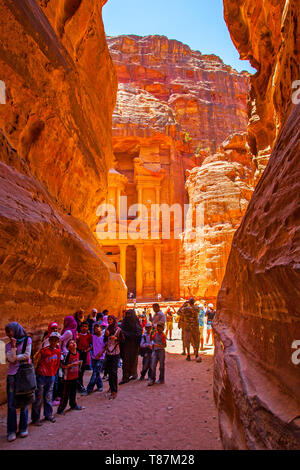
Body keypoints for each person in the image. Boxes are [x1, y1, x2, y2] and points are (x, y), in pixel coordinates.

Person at [5, 322, 32, 442]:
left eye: (9, 331)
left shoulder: (27, 340)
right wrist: (14, 346)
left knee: (24, 401)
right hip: (12, 377)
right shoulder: (7, 346)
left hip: (23, 375)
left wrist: (14, 356)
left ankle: (23, 428)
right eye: (7, 332)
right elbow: (10, 359)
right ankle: (11, 430)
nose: (8, 334)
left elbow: (27, 356)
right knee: (11, 404)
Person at [31, 332, 61, 426]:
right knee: (39, 397)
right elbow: (36, 360)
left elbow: (57, 363)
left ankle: (48, 414)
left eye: (56, 340)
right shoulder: (44, 351)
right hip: (41, 376)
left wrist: (54, 373)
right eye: (52, 339)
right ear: (49, 340)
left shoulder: (57, 352)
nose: (54, 341)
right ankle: (36, 418)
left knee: (48, 396)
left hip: (51, 376)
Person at [57, 339, 84, 414]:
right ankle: (61, 409)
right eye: (71, 343)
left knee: (73, 392)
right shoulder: (68, 355)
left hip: (75, 376)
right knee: (65, 394)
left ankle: (73, 405)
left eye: (74, 342)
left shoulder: (78, 353)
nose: (73, 344)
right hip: (67, 377)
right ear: (68, 347)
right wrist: (72, 365)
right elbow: (63, 365)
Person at [104, 315, 124, 399]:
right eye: (108, 319)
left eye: (110, 319)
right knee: (109, 371)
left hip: (115, 353)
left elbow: (123, 340)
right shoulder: (107, 329)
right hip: (108, 352)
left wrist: (116, 338)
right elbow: (104, 341)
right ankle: (111, 387)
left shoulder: (118, 330)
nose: (109, 321)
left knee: (114, 371)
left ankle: (114, 390)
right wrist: (106, 335)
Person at [120, 309, 142, 384]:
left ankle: (133, 374)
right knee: (126, 361)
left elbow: (138, 334)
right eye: (127, 314)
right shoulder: (124, 322)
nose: (128, 316)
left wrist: (126, 334)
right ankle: (125, 376)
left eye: (130, 314)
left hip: (134, 345)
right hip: (126, 345)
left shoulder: (136, 322)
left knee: (133, 360)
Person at [178, 298, 201, 362]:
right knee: (196, 340)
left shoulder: (186, 309)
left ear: (189, 302)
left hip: (187, 328)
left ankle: (188, 355)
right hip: (195, 327)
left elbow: (178, 312)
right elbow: (198, 309)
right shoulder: (197, 308)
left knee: (187, 341)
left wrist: (183, 305)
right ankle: (196, 354)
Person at [86, 323, 106, 394]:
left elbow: (105, 347)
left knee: (95, 373)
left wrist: (100, 354)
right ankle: (100, 386)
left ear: (101, 328)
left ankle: (89, 389)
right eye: (95, 328)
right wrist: (88, 349)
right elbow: (93, 345)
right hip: (94, 357)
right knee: (97, 373)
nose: (96, 329)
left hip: (100, 358)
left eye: (98, 327)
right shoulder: (93, 337)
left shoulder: (103, 337)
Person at [76, 321, 92, 394]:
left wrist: (88, 349)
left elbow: (92, 344)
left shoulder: (89, 335)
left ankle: (80, 385)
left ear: (88, 328)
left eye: (86, 326)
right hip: (78, 353)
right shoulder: (78, 335)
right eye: (83, 326)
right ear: (80, 327)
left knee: (82, 370)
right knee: (77, 370)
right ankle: (78, 385)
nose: (84, 328)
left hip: (84, 353)